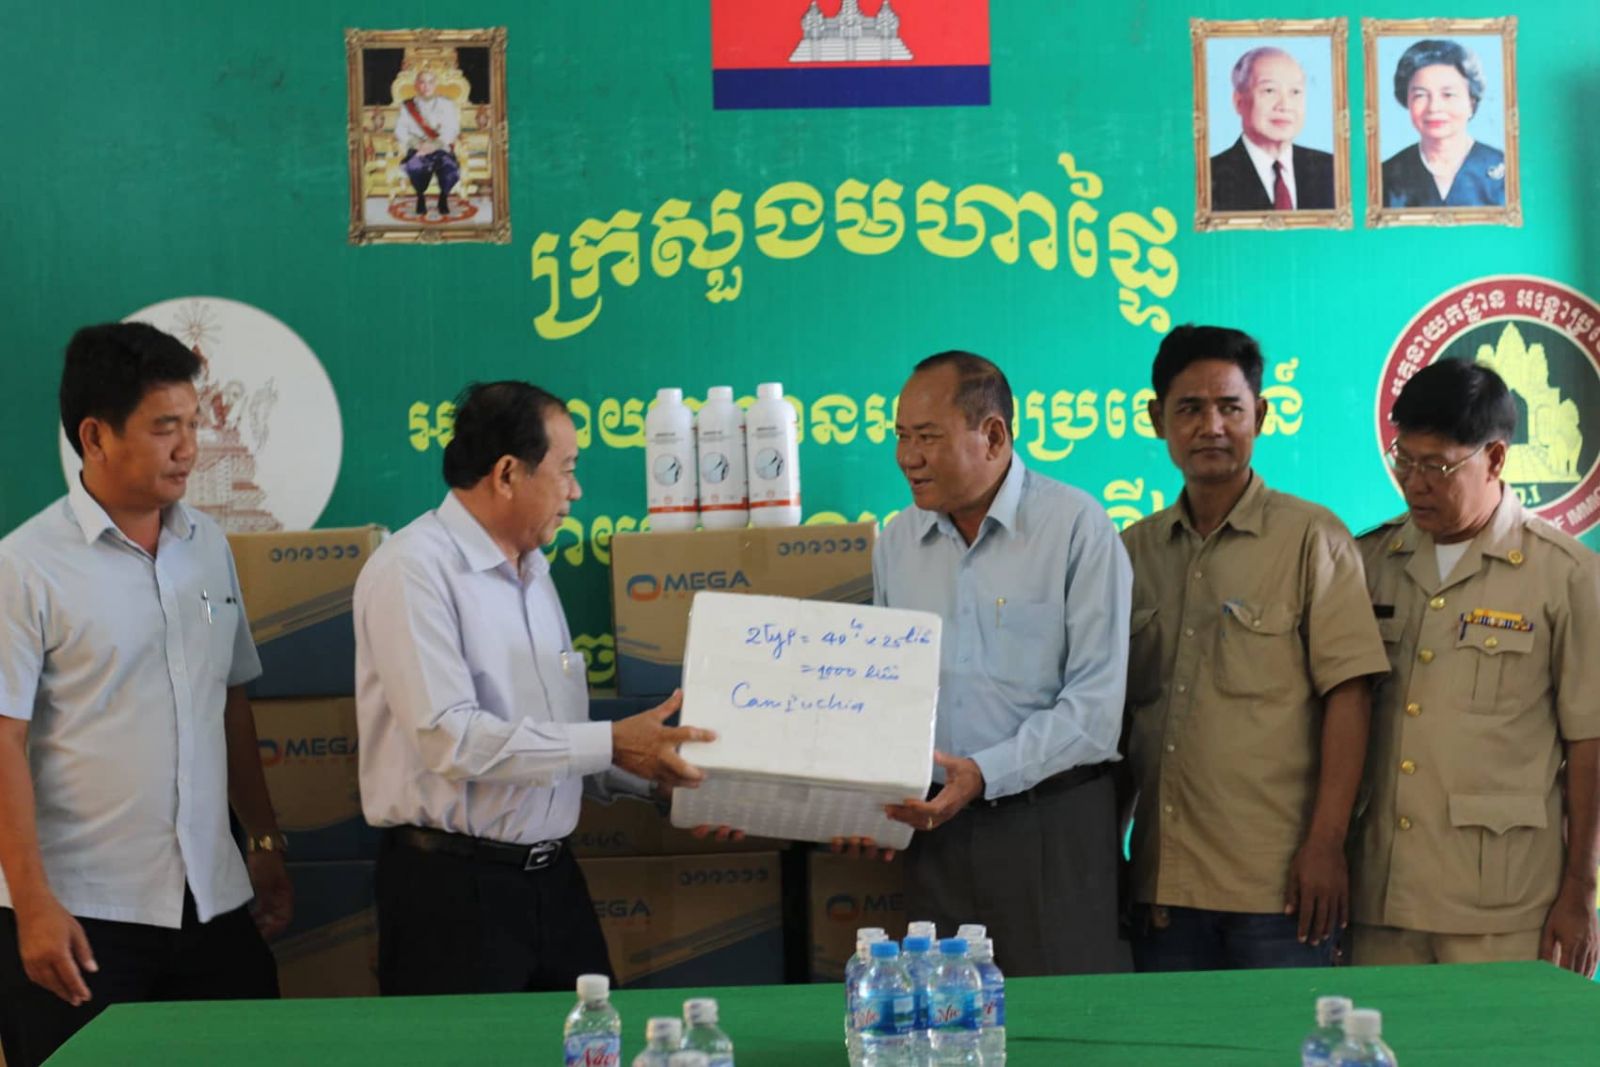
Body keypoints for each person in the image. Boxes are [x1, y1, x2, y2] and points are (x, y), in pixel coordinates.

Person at [355, 380, 716, 995]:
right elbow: (455, 740)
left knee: (595, 1049)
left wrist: (656, 777)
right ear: (506, 474)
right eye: (567, 470)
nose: (576, 491)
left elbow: (555, 744)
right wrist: (610, 744)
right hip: (451, 893)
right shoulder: (413, 570)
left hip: (552, 882)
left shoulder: (532, 570)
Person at [0, 323, 290, 1067]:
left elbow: (231, 701)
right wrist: (31, 904)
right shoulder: (24, 566)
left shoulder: (209, 546)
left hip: (215, 900)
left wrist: (260, 842)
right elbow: (4, 739)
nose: (188, 447)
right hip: (81, 916)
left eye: (194, 424)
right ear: (95, 437)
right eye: (166, 428)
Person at [1118, 325, 1390, 972]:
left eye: (1230, 407)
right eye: (1189, 408)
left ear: (1260, 416)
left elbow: (1349, 698)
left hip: (1281, 892)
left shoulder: (1312, 538)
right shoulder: (1131, 552)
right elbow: (1121, 718)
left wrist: (1326, 844)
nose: (1211, 425)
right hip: (1164, 889)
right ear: (1157, 419)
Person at [862, 351, 1132, 977]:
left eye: (927, 437)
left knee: (1060, 1030)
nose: (908, 457)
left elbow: (1095, 712)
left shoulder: (1076, 527)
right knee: (946, 1018)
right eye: (901, 437)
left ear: (993, 435)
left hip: (1051, 828)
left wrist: (984, 773)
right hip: (935, 832)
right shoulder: (897, 542)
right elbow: (879, 694)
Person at [1353, 360, 1598, 976]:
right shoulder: (1368, 561)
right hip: (1382, 896)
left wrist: (1580, 890)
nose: (1414, 483)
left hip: (1504, 907)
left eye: (1436, 466)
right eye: (1403, 461)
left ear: (1494, 458)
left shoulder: (1565, 576)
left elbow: (1589, 741)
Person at [1381, 39, 1506, 209]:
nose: (1434, 107)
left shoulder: (1505, 169)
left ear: (1471, 102)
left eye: (1448, 94)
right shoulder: (1385, 174)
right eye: (1420, 95)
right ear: (1407, 101)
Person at [1210, 47, 1335, 212]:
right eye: (1269, 90)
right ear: (1238, 101)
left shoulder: (1332, 169)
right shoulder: (1208, 177)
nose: (1284, 106)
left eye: (1295, 92)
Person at [394, 68, 462, 219]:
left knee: (450, 168)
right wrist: (417, 144)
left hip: (440, 148)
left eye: (430, 82)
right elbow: (400, 130)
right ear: (417, 85)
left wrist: (435, 145)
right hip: (418, 149)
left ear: (435, 84)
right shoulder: (407, 106)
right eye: (422, 82)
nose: (426, 86)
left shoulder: (447, 104)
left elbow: (452, 128)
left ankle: (443, 197)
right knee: (415, 166)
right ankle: (420, 197)